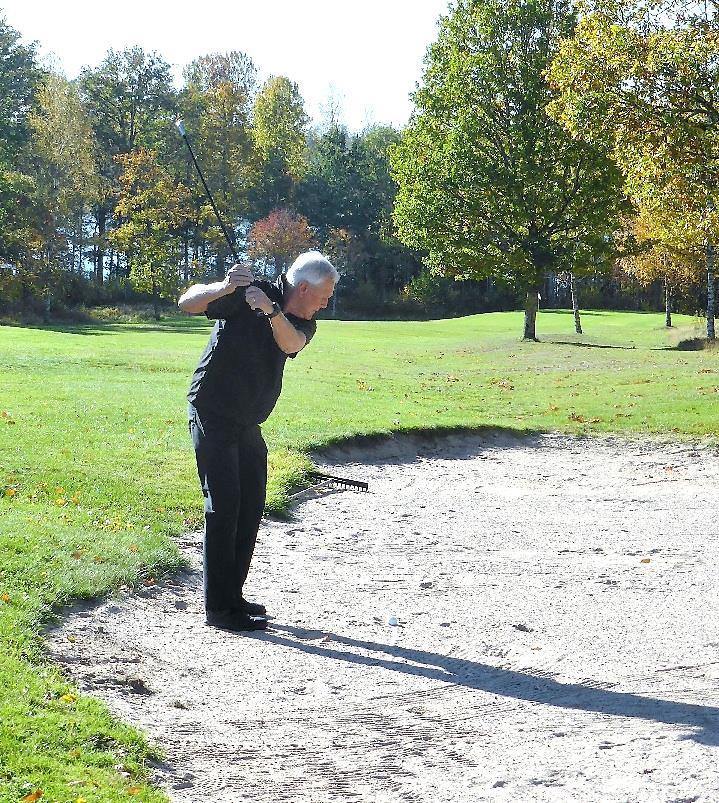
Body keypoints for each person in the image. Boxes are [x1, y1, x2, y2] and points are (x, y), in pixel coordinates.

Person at [178, 251, 338, 631]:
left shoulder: (299, 318)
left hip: (248, 422)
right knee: (224, 506)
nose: (327, 302)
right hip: (213, 411)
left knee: (251, 505)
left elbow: (291, 344)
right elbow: (187, 303)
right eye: (324, 295)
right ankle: (219, 609)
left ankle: (233, 595)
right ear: (303, 288)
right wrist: (225, 286)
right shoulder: (249, 292)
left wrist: (270, 311)